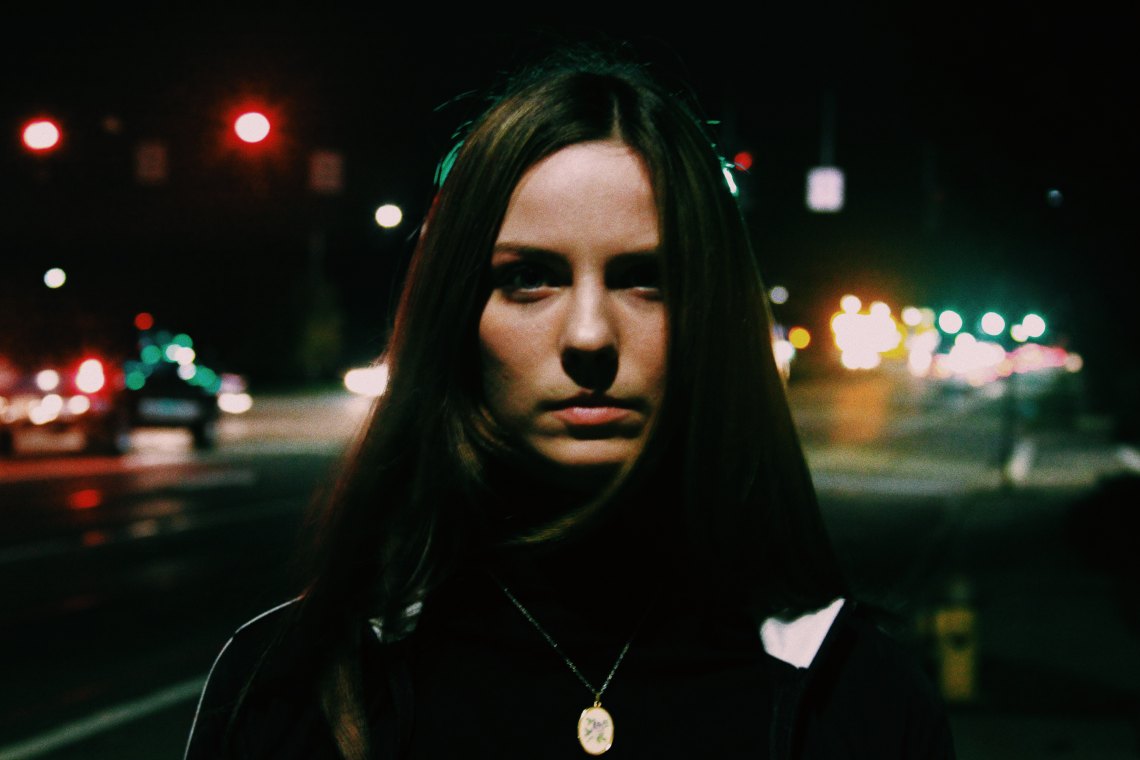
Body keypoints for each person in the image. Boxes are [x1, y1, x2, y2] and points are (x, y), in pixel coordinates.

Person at [185, 48, 955, 759]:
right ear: (455, 314)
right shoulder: (297, 685)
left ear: (714, 316)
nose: (590, 335)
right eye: (529, 277)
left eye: (647, 277)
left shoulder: (852, 696)